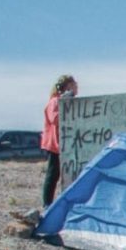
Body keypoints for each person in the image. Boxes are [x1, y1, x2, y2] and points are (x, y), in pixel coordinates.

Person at [40, 74, 77, 207]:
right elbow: (55, 119)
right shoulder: (55, 101)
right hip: (54, 144)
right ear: (66, 86)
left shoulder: (64, 101)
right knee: (53, 173)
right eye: (73, 85)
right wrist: (64, 102)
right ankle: (47, 203)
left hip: (63, 144)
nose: (76, 87)